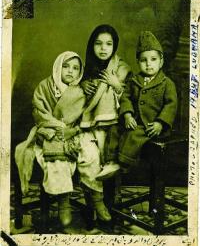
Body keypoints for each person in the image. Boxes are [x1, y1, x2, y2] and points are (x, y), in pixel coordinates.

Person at [15, 51, 111, 231]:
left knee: (91, 154)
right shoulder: (45, 86)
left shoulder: (81, 90)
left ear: (80, 71)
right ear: (58, 67)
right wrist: (58, 127)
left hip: (75, 131)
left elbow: (86, 115)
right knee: (57, 160)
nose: (70, 71)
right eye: (66, 66)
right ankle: (63, 203)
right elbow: (39, 112)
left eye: (75, 68)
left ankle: (98, 199)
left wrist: (73, 130)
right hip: (50, 131)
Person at [117, 31, 178, 172]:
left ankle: (122, 163)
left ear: (161, 61)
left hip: (153, 127)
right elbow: (125, 98)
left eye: (153, 59)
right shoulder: (134, 81)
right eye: (144, 60)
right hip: (135, 121)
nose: (148, 64)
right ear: (138, 62)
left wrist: (160, 123)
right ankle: (109, 160)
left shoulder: (167, 83)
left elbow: (171, 105)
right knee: (115, 130)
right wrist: (127, 115)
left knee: (133, 135)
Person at [80, 24, 131, 180]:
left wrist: (116, 84)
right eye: (98, 43)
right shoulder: (86, 68)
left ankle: (114, 193)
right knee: (92, 155)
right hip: (89, 123)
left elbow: (131, 98)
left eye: (109, 44)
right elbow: (77, 97)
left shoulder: (121, 68)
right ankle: (96, 196)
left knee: (109, 152)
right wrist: (82, 84)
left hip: (116, 122)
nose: (103, 48)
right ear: (92, 45)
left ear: (114, 45)